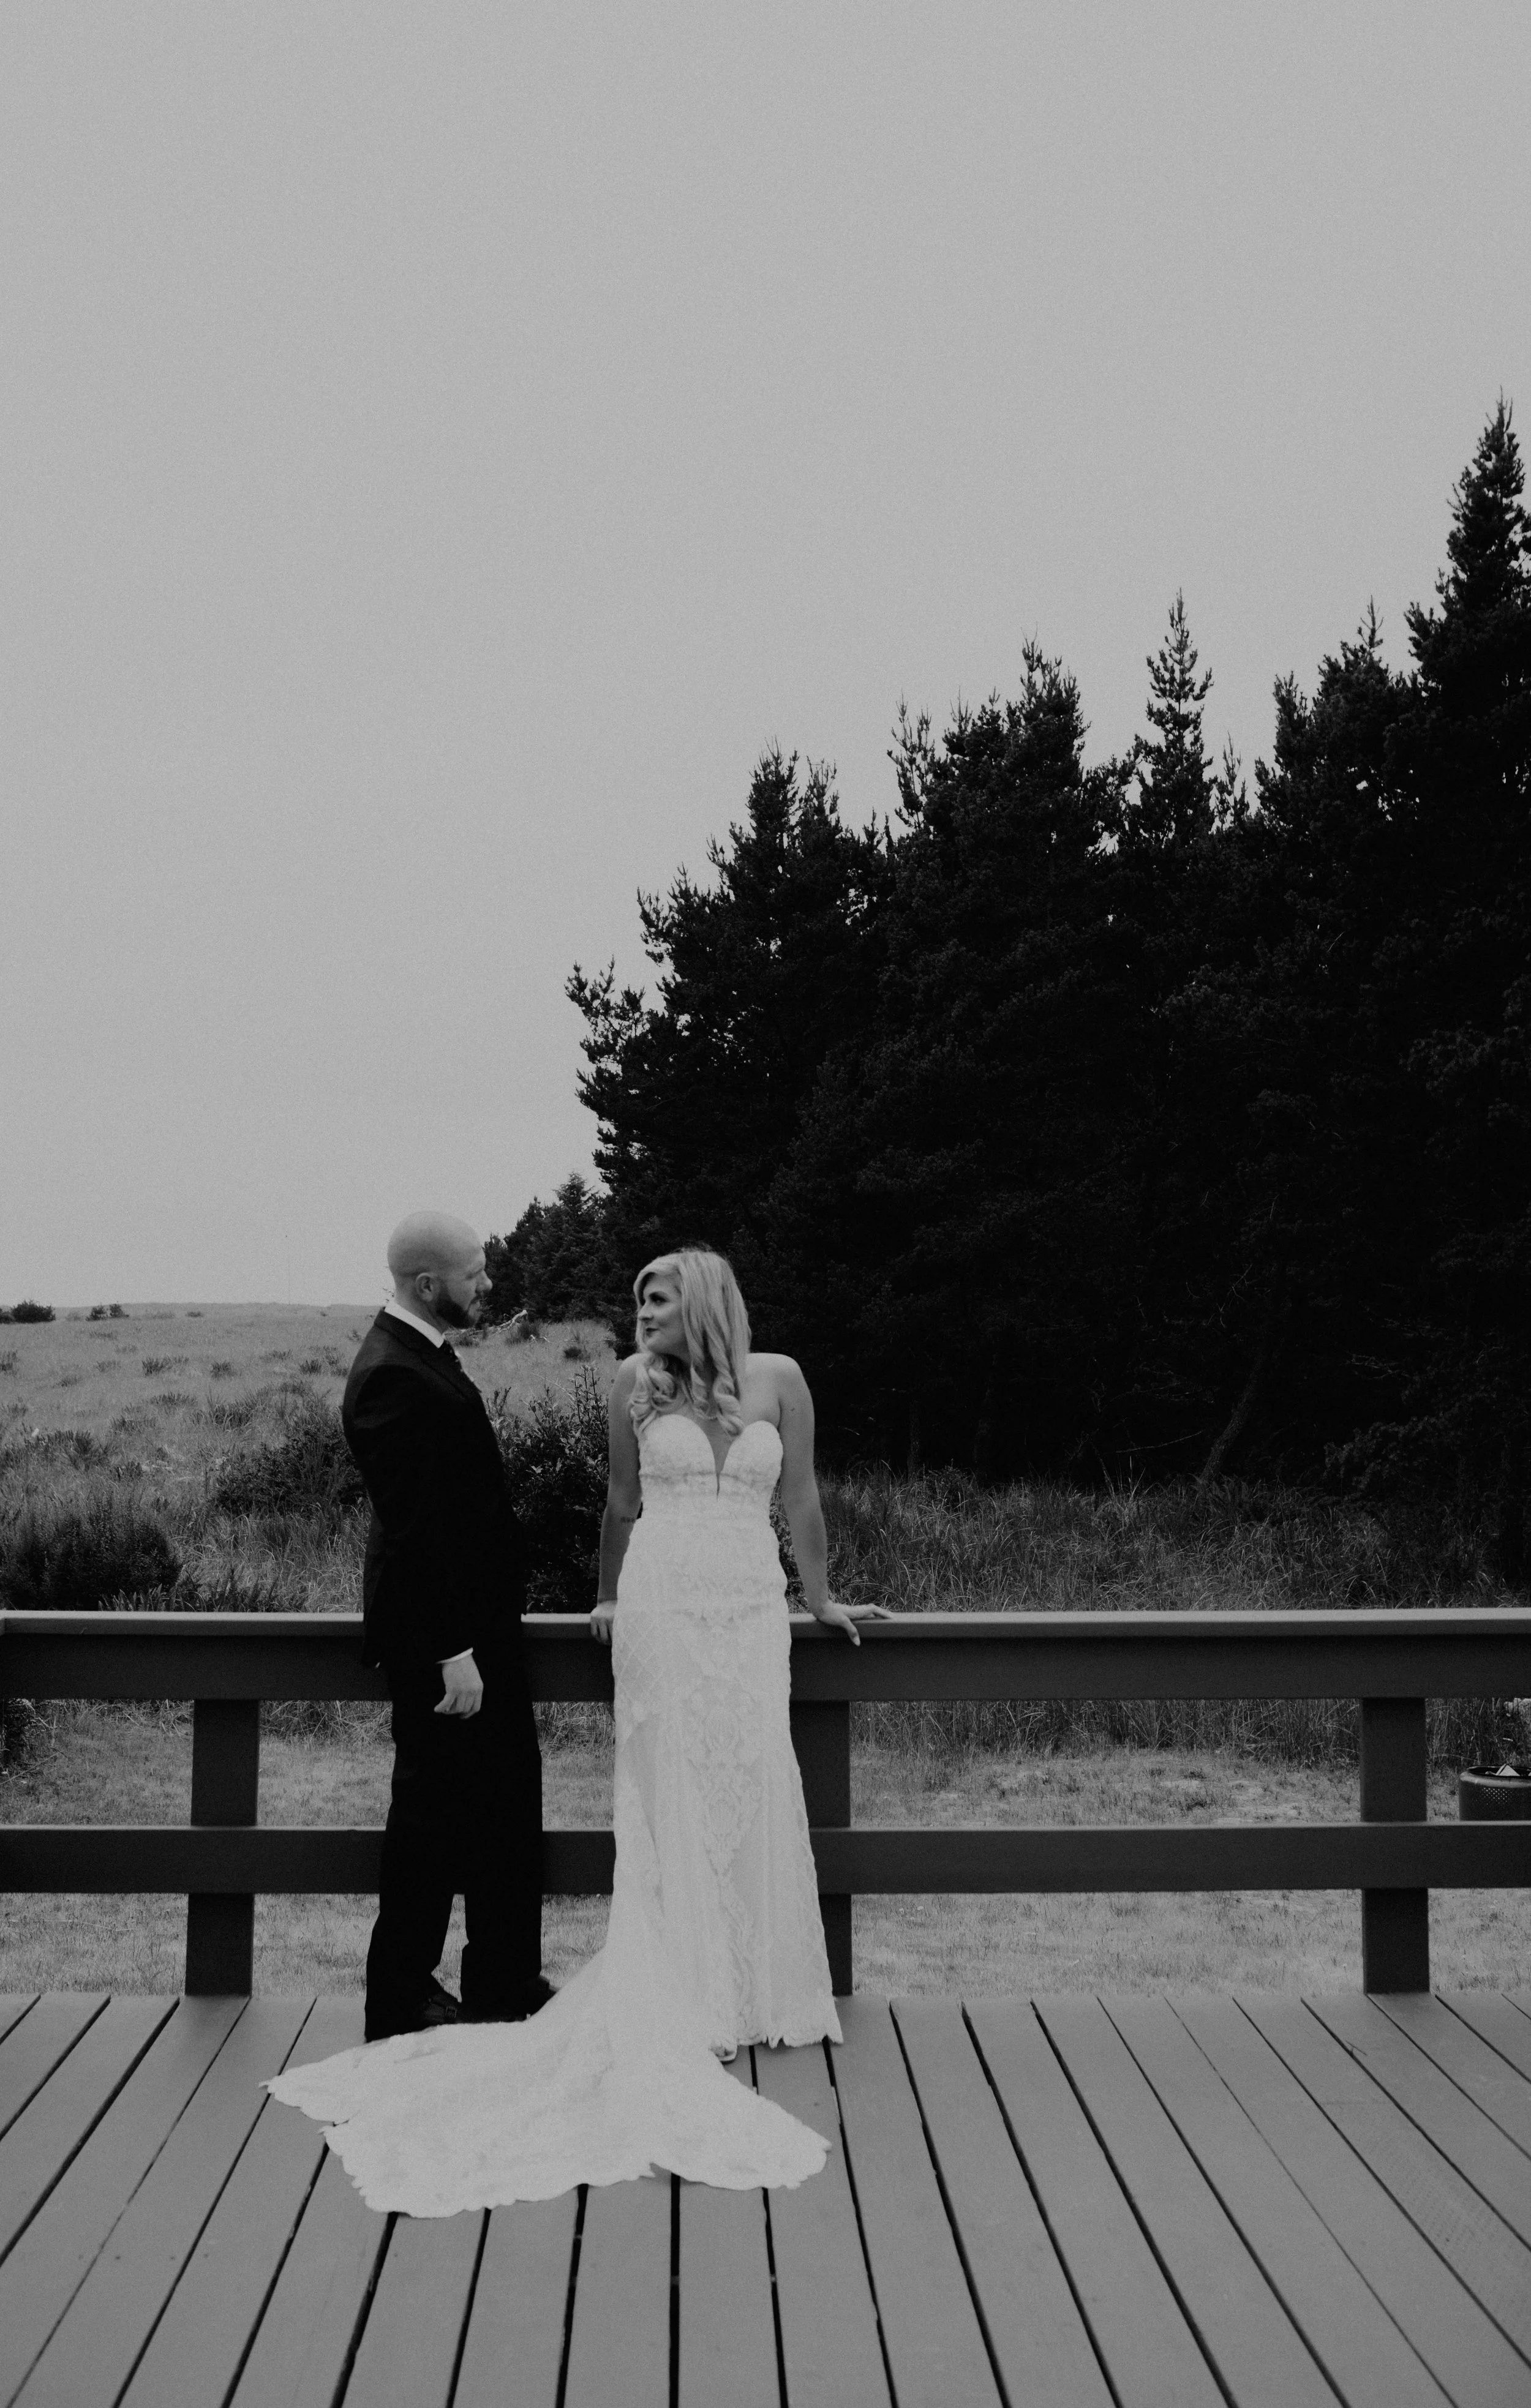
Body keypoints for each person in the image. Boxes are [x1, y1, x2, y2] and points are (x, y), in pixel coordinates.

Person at [268, 1247, 883, 2213]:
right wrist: (603, 1598)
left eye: (657, 1297)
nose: (639, 1312)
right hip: (664, 1609)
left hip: (753, 1611)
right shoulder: (635, 1385)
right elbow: (622, 1504)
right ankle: (680, 1989)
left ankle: (760, 1987)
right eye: (636, 1298)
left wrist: (821, 1596)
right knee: (669, 1789)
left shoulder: (783, 1380)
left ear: (707, 1302)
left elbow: (800, 1494)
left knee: (755, 1778)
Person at [343, 1210, 550, 2040]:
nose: (489, 1283)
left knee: (505, 1806)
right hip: (445, 1644)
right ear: (430, 1284)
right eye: (475, 1272)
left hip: (476, 1633)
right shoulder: (392, 1374)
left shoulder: (419, 1354)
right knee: (430, 1820)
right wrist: (453, 1652)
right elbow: (418, 1527)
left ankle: (503, 1980)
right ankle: (401, 1996)